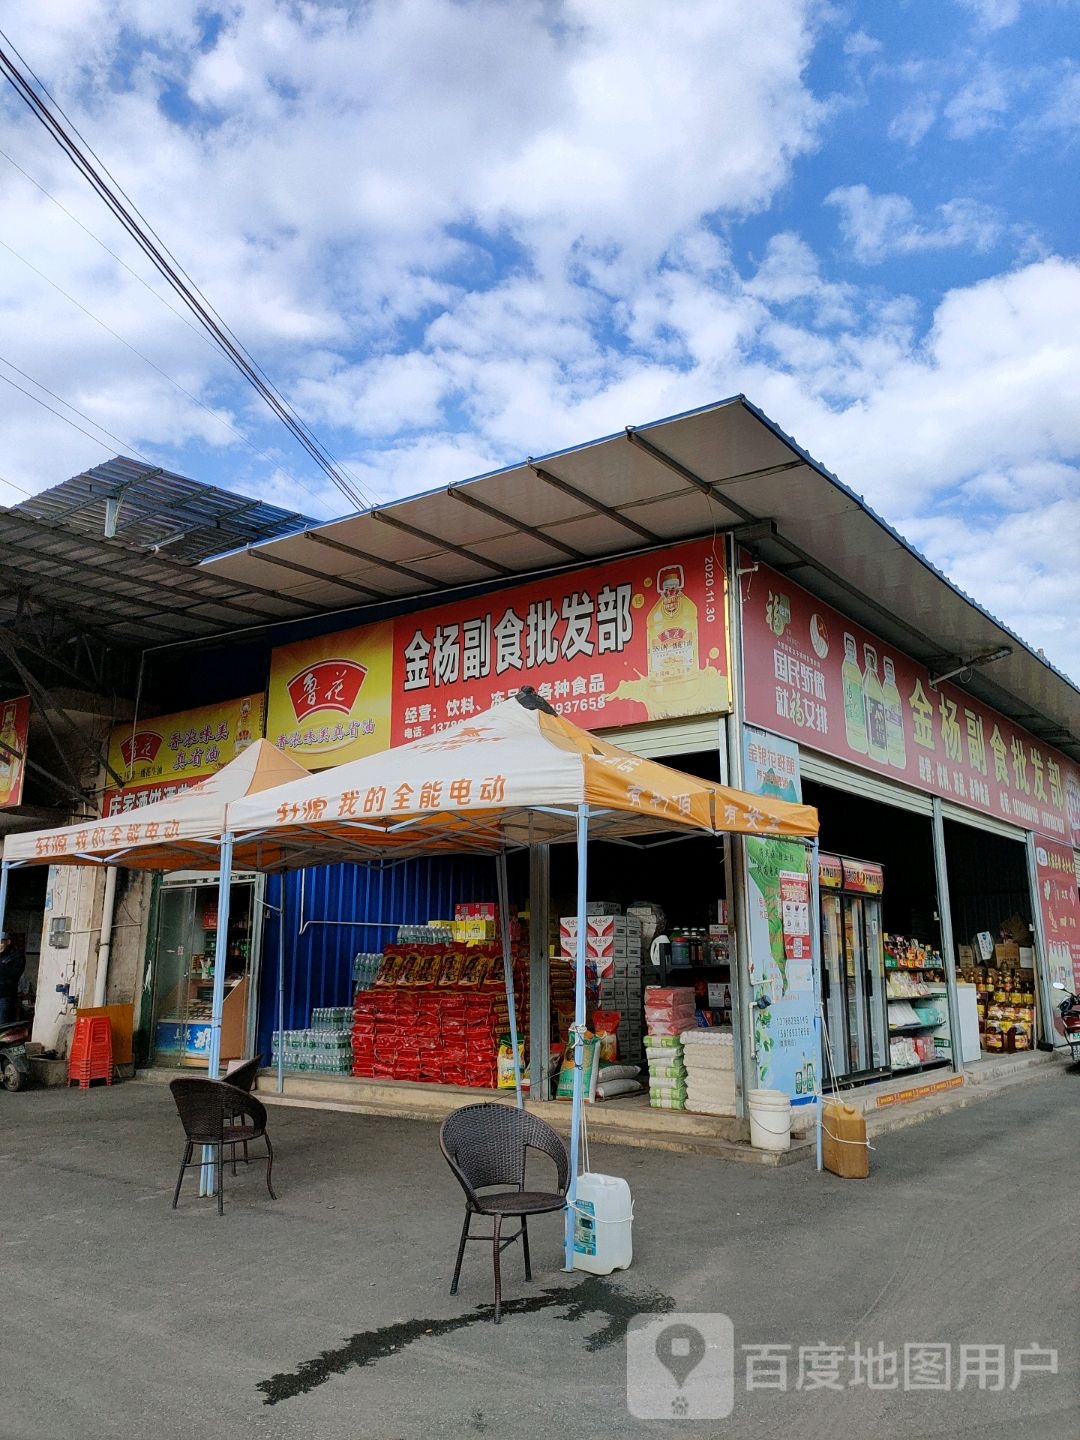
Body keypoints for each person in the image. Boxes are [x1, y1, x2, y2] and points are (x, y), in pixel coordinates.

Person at [0, 931, 25, 1024]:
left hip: (5, 995)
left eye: (1, 942)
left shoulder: (16, 956)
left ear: (8, 942)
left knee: (2, 1024)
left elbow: (14, 973)